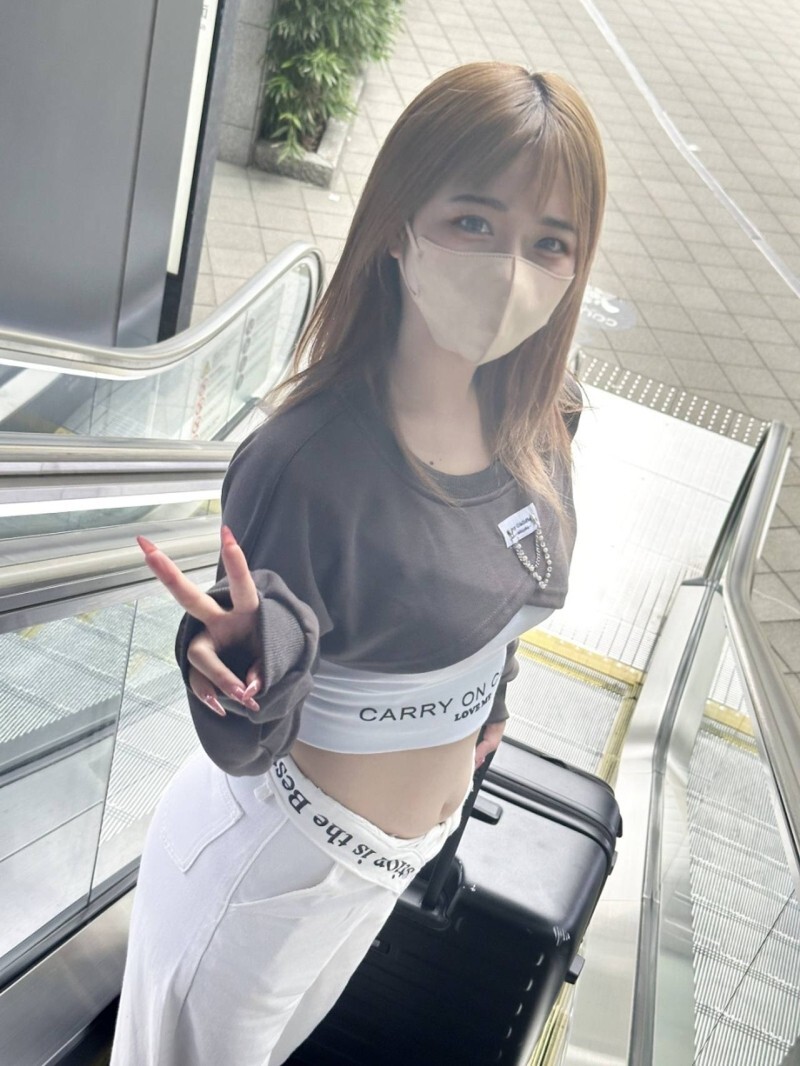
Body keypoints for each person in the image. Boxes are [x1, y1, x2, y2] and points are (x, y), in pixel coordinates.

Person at [110, 61, 606, 1066]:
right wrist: (245, 660)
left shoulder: (541, 424)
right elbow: (253, 717)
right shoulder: (304, 461)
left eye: (549, 242)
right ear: (397, 223)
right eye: (473, 222)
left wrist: (489, 710)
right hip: (268, 866)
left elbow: (500, 611)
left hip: (385, 866)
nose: (511, 269)